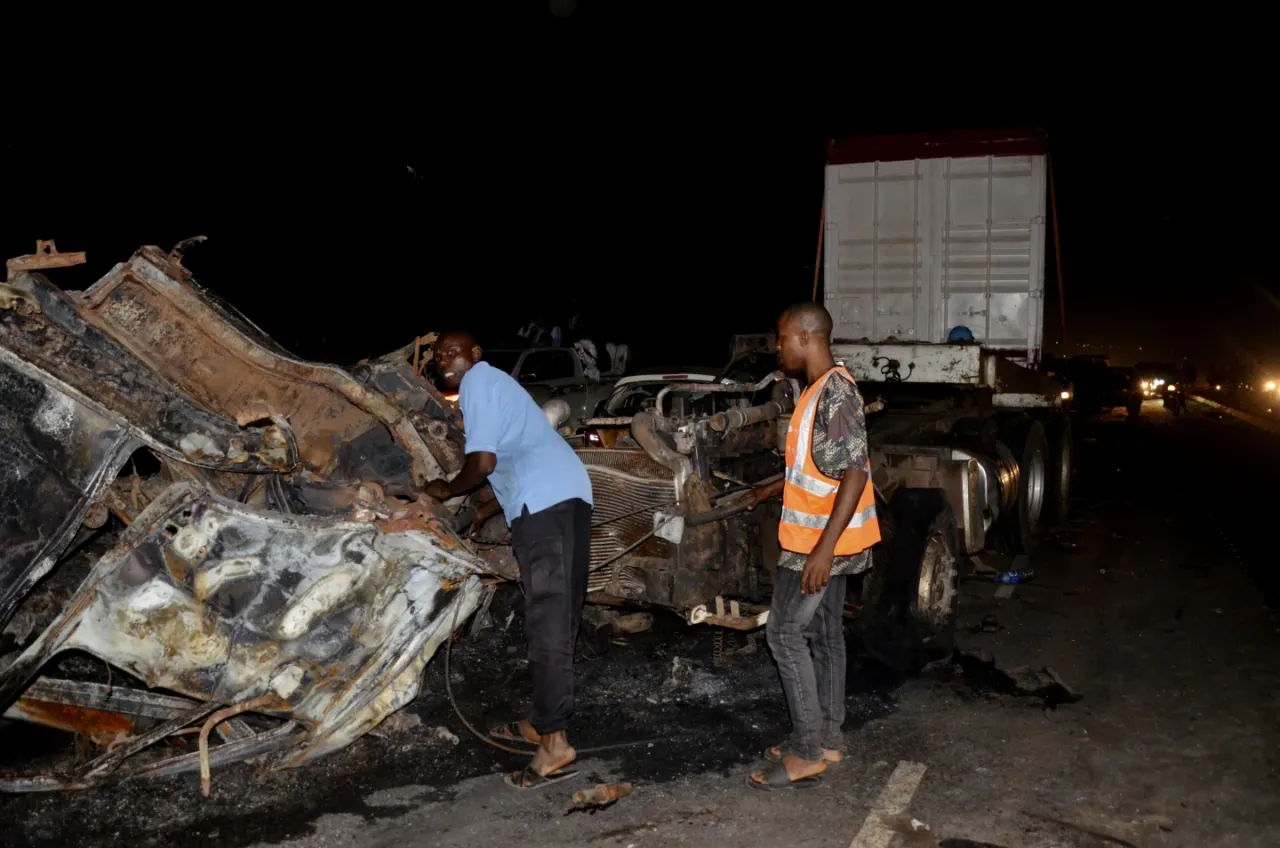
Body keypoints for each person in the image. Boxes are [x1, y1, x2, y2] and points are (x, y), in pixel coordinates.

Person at [426, 330, 594, 790]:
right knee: (559, 619)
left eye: (452, 352)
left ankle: (555, 743)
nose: (444, 360)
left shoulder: (478, 381)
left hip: (546, 505)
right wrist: (485, 509)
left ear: (475, 354)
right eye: (438, 356)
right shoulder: (498, 385)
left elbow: (481, 463)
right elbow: (509, 459)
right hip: (565, 496)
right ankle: (543, 723)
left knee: (548, 624)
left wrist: (443, 489)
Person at [745, 302, 880, 791]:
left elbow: (855, 473)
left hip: (817, 546)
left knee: (784, 634)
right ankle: (827, 738)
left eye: (782, 338)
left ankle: (806, 752)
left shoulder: (835, 393)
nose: (778, 347)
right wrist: (771, 489)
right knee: (825, 636)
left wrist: (823, 550)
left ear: (805, 337)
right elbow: (819, 469)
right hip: (826, 539)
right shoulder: (818, 390)